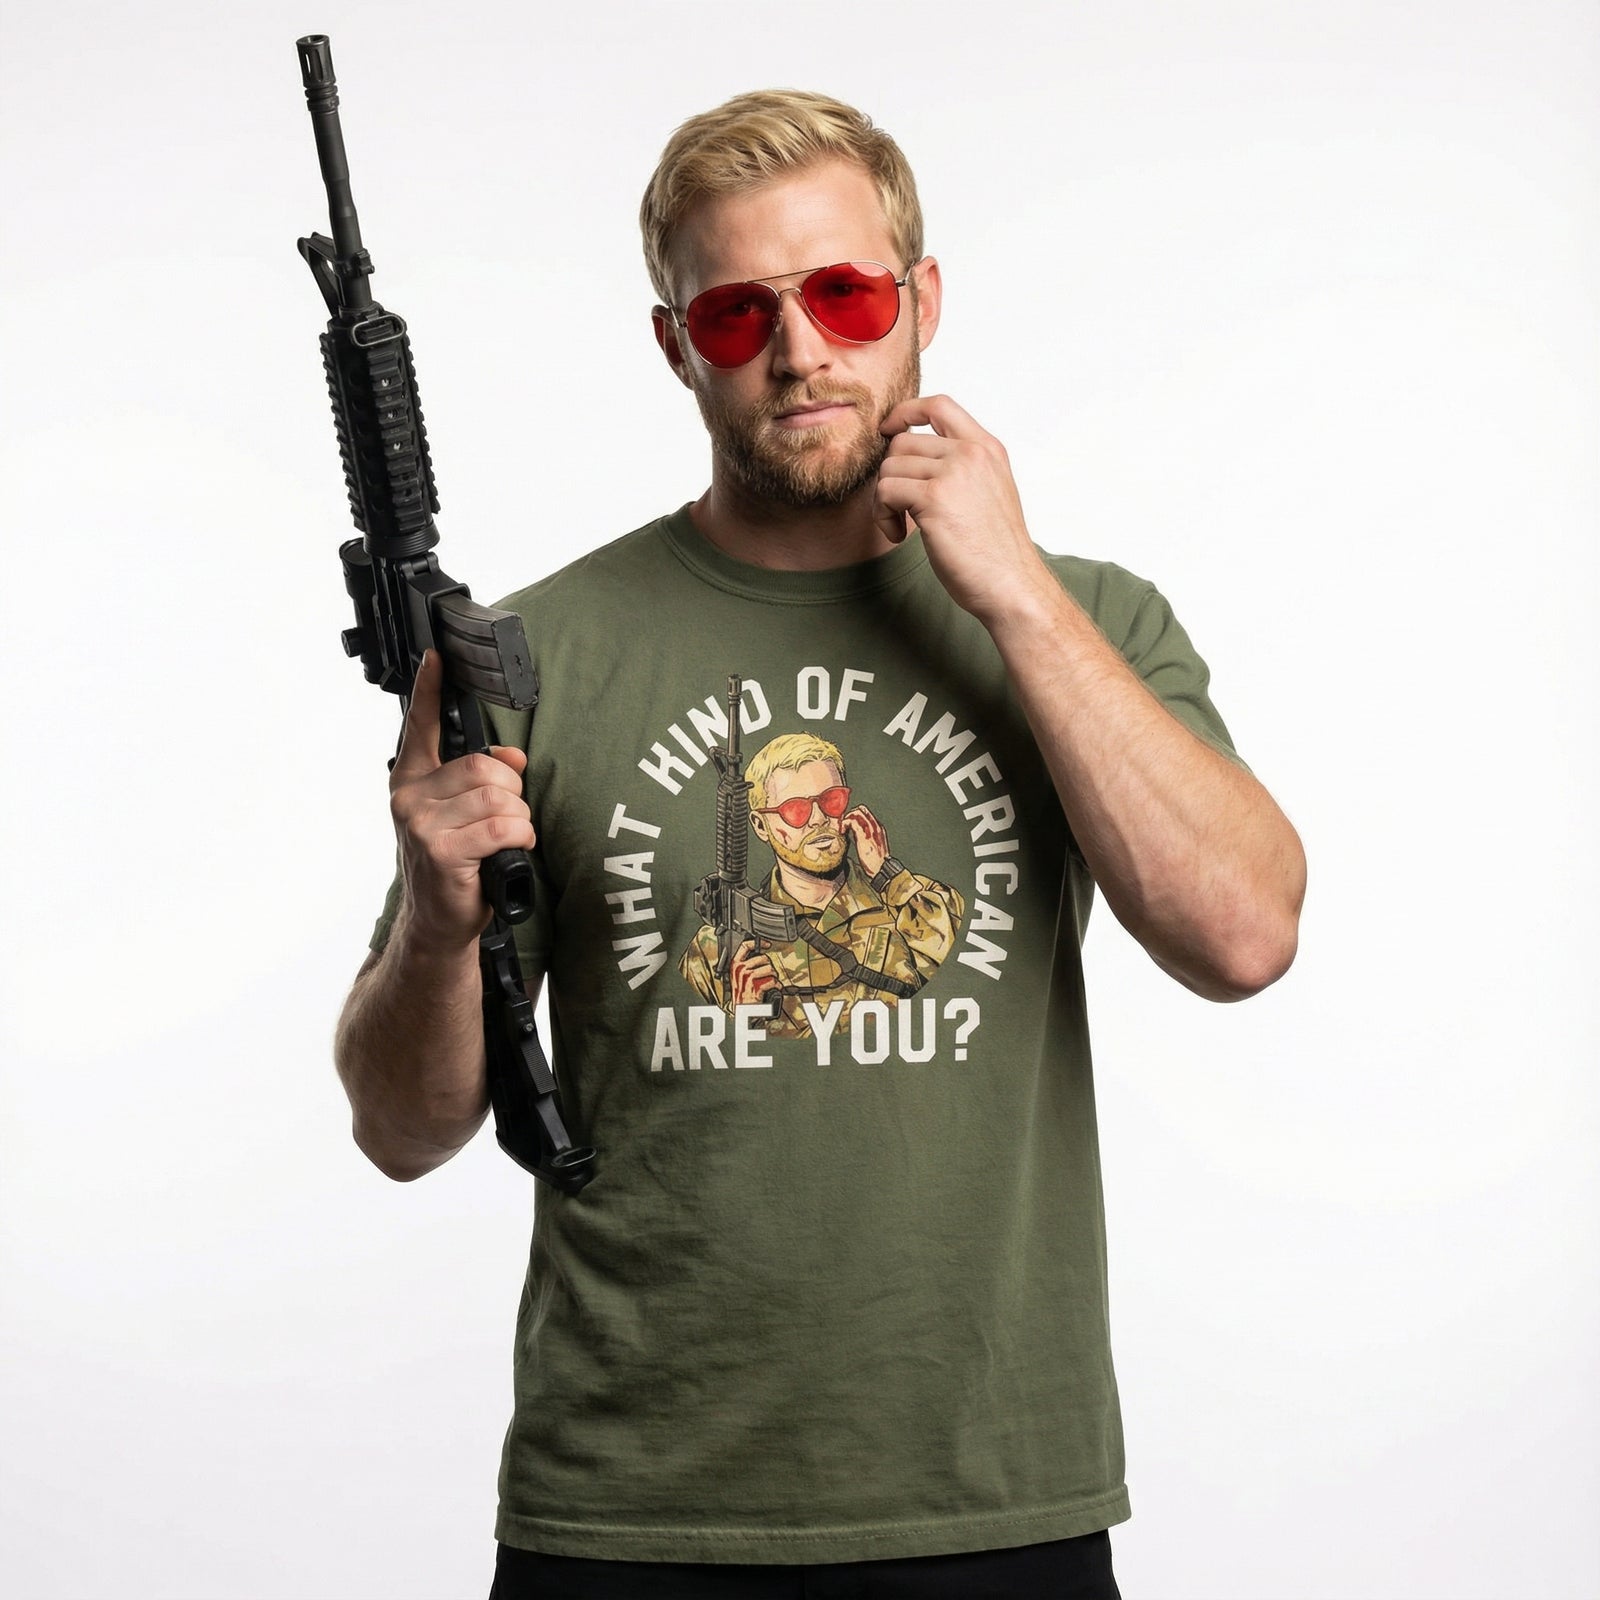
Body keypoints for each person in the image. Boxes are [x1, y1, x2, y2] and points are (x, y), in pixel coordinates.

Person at [335, 88, 1306, 1600]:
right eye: (736, 315)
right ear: (676, 347)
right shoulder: (540, 658)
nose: (800, 351)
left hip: (997, 1500)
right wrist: (438, 909)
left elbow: (1243, 936)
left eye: (844, 294)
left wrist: (1018, 598)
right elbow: (403, 1130)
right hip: (631, 1516)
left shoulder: (1088, 623)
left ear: (918, 302)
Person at [677, 729, 967, 1036]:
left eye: (831, 800)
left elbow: (959, 975)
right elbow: (697, 1050)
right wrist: (742, 1016)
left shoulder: (918, 901)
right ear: (761, 826)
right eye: (796, 809)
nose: (818, 819)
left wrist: (888, 876)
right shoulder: (713, 949)